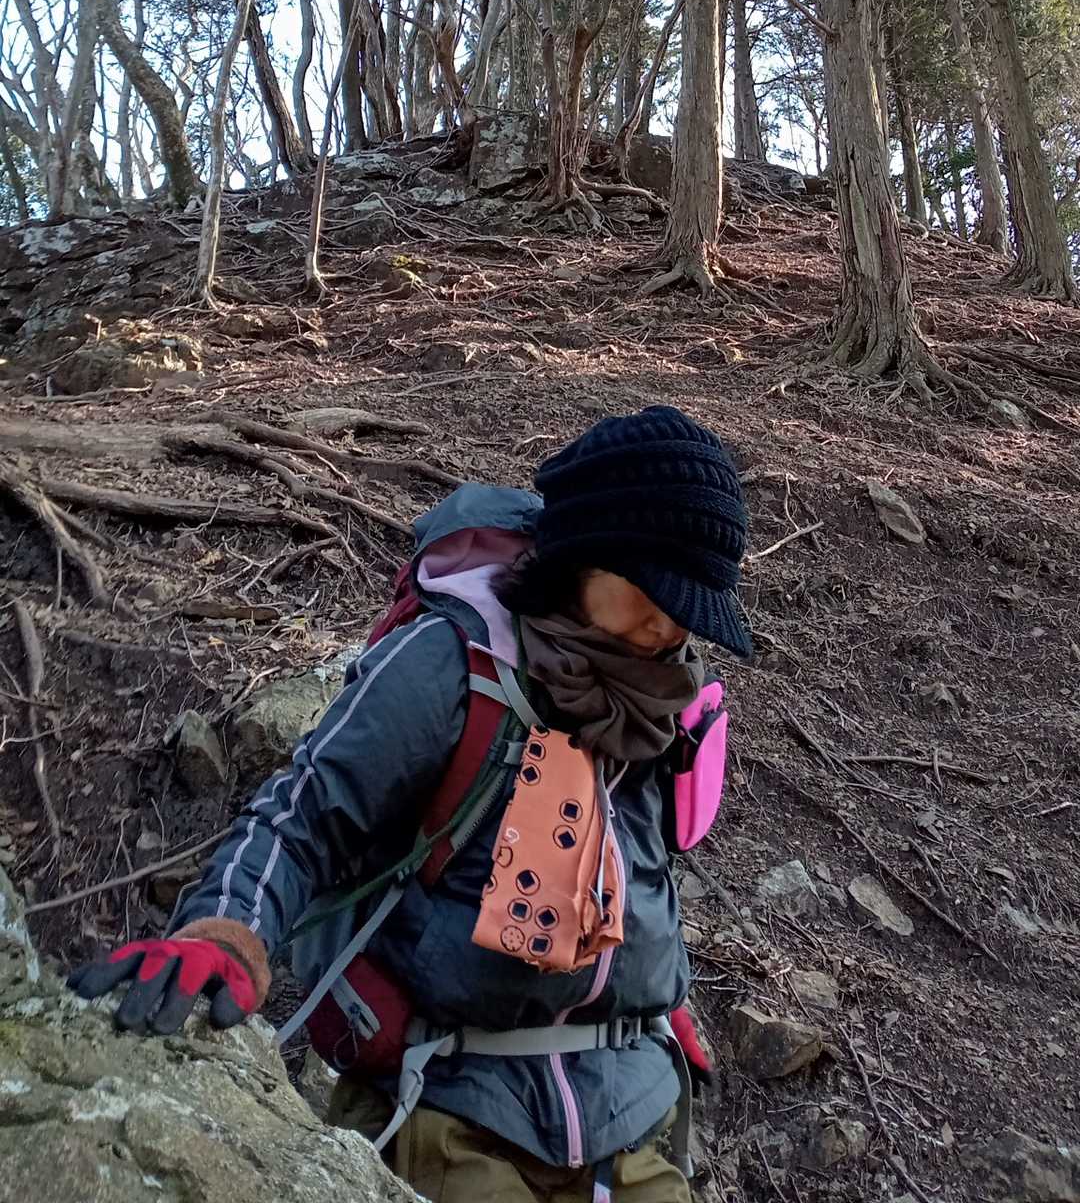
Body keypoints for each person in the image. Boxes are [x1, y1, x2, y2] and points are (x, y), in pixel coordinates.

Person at [69, 405, 752, 1203]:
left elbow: (636, 871)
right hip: (449, 1105)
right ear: (582, 555)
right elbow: (304, 814)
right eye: (651, 590)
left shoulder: (660, 692)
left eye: (689, 603)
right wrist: (226, 931)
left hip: (626, 1114)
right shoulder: (451, 665)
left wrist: (660, 999)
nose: (669, 623)